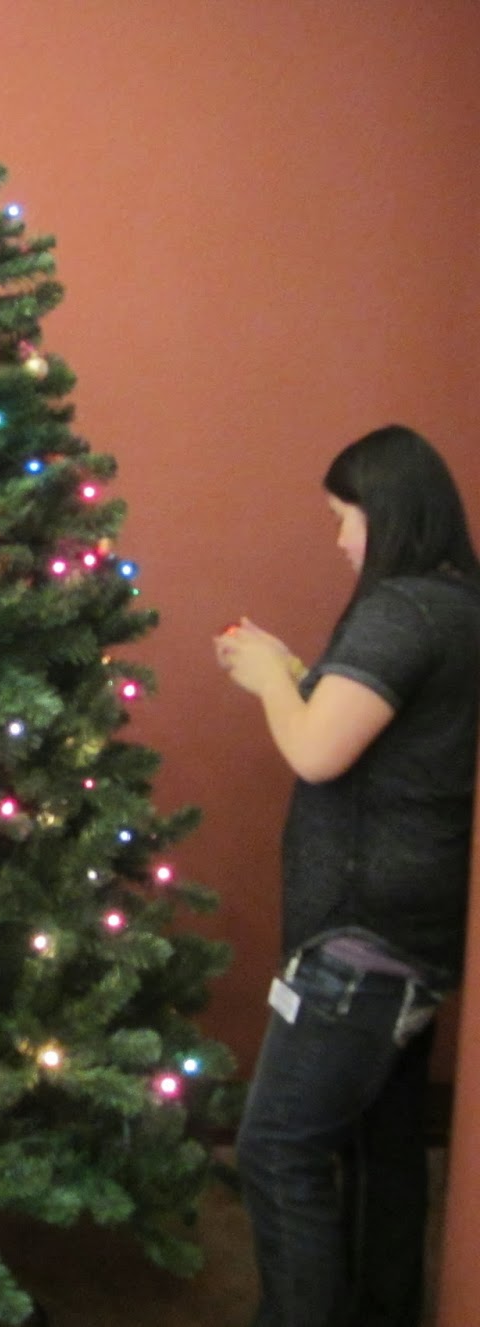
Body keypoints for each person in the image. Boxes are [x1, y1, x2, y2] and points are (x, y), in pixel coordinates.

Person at [214, 425, 480, 1327]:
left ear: (388, 512)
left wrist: (265, 680)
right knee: (385, 1150)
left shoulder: (400, 610)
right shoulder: (455, 606)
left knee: (277, 1150)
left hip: (362, 940)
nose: (339, 540)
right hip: (418, 933)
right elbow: (375, 731)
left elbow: (320, 751)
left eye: (345, 518)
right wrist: (299, 669)